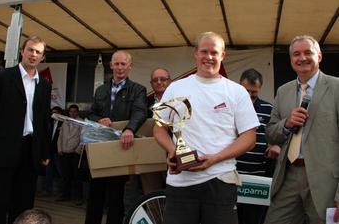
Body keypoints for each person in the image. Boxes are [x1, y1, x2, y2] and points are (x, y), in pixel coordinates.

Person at [153, 31, 259, 224]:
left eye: (214, 52)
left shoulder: (237, 92)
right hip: (181, 181)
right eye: (204, 51)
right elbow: (159, 129)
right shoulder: (175, 88)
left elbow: (249, 137)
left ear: (222, 55)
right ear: (195, 53)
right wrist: (172, 151)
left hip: (221, 179)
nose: (209, 57)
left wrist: (216, 158)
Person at [0, 36, 51, 224]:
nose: (33, 55)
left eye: (38, 52)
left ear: (42, 57)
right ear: (22, 51)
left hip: (30, 152)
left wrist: (45, 150)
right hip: (4, 149)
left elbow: (44, 120)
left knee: (23, 206)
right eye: (30, 50)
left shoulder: (44, 85)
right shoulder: (2, 76)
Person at [264, 35, 339, 224]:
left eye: (308, 52)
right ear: (291, 60)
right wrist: (287, 123)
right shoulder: (283, 91)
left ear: (319, 56)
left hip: (326, 182)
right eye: (296, 54)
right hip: (288, 175)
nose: (302, 58)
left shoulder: (336, 88)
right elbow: (271, 133)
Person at [85, 50, 147, 224]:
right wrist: (99, 119)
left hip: (121, 146)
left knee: (116, 195)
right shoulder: (101, 89)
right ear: (111, 65)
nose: (120, 68)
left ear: (129, 66)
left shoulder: (138, 89)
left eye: (123, 64)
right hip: (99, 146)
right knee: (95, 195)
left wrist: (129, 129)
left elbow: (140, 112)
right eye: (116, 64)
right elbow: (91, 114)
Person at [236, 69, 279, 224]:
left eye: (253, 92)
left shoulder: (269, 109)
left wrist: (273, 146)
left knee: (254, 217)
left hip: (258, 174)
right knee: (233, 216)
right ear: (239, 86)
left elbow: (274, 134)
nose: (249, 95)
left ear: (260, 88)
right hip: (232, 173)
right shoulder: (229, 107)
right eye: (246, 90)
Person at [57, 104, 83, 204]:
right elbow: (60, 136)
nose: (72, 113)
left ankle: (78, 198)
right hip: (64, 152)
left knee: (77, 176)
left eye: (74, 111)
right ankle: (65, 195)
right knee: (65, 175)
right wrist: (59, 148)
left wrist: (77, 150)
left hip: (75, 153)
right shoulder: (65, 121)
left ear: (77, 112)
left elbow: (83, 138)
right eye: (70, 111)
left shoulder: (81, 122)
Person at [43, 106, 63, 197]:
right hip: (49, 150)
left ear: (60, 113)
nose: (53, 114)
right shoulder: (50, 122)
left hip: (58, 150)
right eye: (52, 112)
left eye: (55, 112)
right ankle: (48, 190)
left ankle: (61, 191)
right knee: (48, 170)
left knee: (60, 170)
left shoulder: (63, 123)